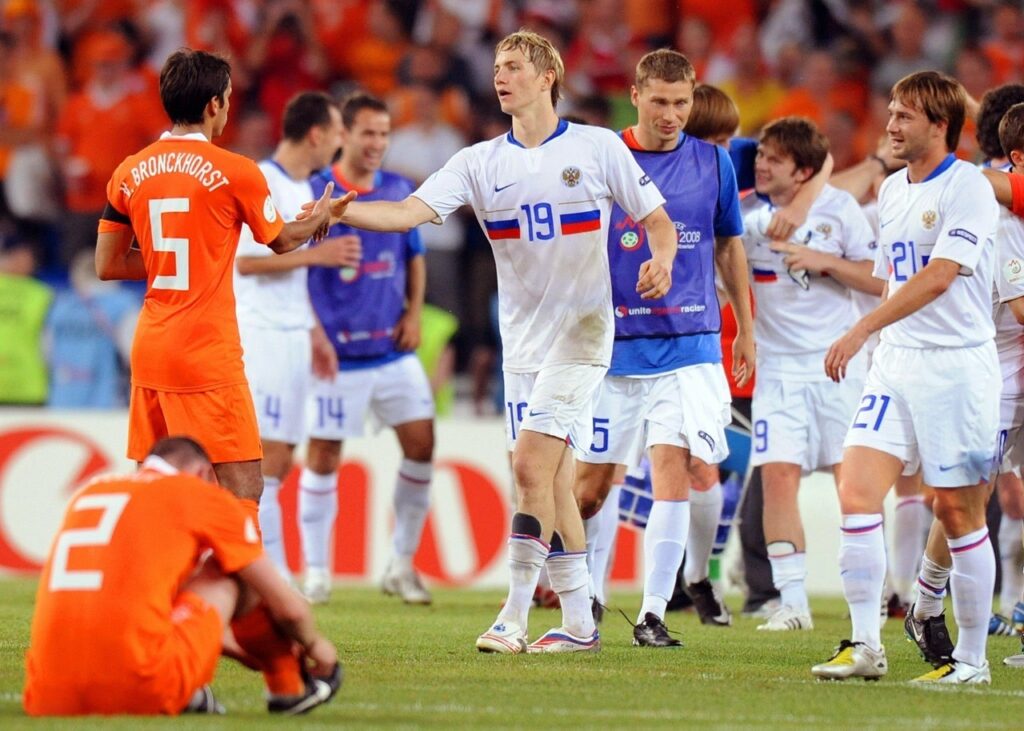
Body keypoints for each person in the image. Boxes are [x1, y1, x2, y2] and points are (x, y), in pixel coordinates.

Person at [323, 30, 676, 653]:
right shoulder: (478, 162)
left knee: (529, 468)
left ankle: (512, 615)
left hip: (582, 337)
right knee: (553, 482)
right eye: (496, 67)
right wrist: (341, 212)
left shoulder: (596, 148)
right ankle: (579, 623)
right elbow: (406, 213)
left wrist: (663, 260)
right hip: (523, 347)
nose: (500, 77)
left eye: (513, 67)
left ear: (548, 77)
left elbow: (657, 220)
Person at [94, 49, 346, 521]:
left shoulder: (128, 171)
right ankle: (236, 595)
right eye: (228, 99)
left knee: (152, 485)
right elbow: (282, 241)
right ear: (214, 104)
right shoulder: (237, 171)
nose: (229, 109)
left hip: (150, 347)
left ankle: (154, 587)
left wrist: (178, 260)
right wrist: (322, 217)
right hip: (205, 351)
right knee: (243, 487)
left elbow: (106, 265)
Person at [812, 71, 1000, 684]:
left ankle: (971, 659)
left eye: (904, 116)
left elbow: (942, 274)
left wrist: (862, 328)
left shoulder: (968, 185)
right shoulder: (892, 190)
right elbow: (893, 276)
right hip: (896, 363)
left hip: (956, 368)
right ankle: (867, 644)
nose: (890, 126)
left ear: (940, 125)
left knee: (957, 510)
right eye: (890, 113)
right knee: (857, 494)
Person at [571, 49, 753, 646]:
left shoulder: (714, 162)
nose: (672, 114)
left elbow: (729, 247)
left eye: (682, 102)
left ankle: (652, 612)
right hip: (614, 347)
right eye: (660, 101)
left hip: (691, 344)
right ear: (636, 94)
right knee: (592, 490)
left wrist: (745, 329)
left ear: (693, 97)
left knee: (678, 469)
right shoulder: (604, 157)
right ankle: (586, 596)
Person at [23, 436, 341, 716]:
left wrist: (236, 650)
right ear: (204, 473)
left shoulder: (90, 491)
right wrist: (315, 645)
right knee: (232, 568)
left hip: (46, 695)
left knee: (167, 586)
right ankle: (287, 687)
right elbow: (288, 607)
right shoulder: (199, 495)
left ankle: (191, 693)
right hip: (140, 687)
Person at [742, 117, 882, 632]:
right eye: (760, 155)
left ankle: (867, 594)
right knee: (778, 477)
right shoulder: (747, 211)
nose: (760, 164)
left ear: (801, 171)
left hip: (838, 366)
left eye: (773, 159)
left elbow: (878, 281)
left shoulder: (840, 210)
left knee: (854, 485)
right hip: (778, 369)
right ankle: (793, 602)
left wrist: (825, 261)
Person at [301, 92, 436, 605]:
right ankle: (315, 573)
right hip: (336, 354)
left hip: (392, 351)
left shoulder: (400, 189)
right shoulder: (316, 192)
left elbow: (415, 255)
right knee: (324, 455)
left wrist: (414, 311)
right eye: (368, 133)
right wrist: (312, 331)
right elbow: (292, 265)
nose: (377, 143)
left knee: (422, 444)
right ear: (344, 136)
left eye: (384, 133)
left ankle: (401, 564)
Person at [233, 90, 361, 582]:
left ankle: (265, 571)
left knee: (280, 460)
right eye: (337, 133)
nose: (339, 144)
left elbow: (291, 280)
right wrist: (316, 252)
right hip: (259, 332)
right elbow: (243, 262)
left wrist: (315, 332)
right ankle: (273, 577)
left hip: (290, 333)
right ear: (316, 134)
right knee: (262, 461)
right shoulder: (261, 180)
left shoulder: (307, 184)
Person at [985, 100, 1024, 666]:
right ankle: (924, 603)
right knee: (964, 497)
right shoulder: (1004, 218)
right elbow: (1020, 309)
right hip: (994, 375)